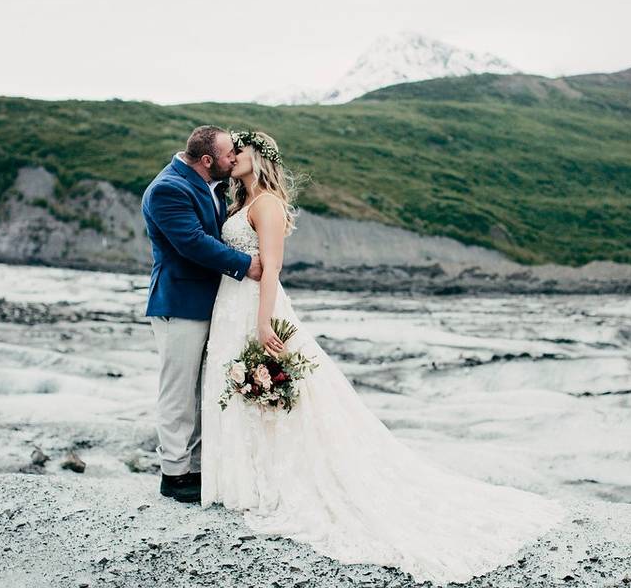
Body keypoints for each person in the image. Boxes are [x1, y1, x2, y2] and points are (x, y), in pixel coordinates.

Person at [199, 130, 565, 586]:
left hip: (255, 305)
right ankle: (244, 481)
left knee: (270, 391)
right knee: (239, 390)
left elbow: (271, 267)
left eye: (241, 150)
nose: (232, 157)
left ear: (259, 156)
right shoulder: (237, 203)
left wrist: (263, 320)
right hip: (229, 306)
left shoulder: (268, 203)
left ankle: (266, 483)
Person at [141, 125, 262, 503]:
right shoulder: (167, 189)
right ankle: (174, 474)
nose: (234, 158)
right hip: (179, 304)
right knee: (178, 391)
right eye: (229, 155)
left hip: (208, 303)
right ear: (207, 160)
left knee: (201, 390)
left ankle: (195, 466)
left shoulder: (208, 184)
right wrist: (247, 265)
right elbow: (193, 243)